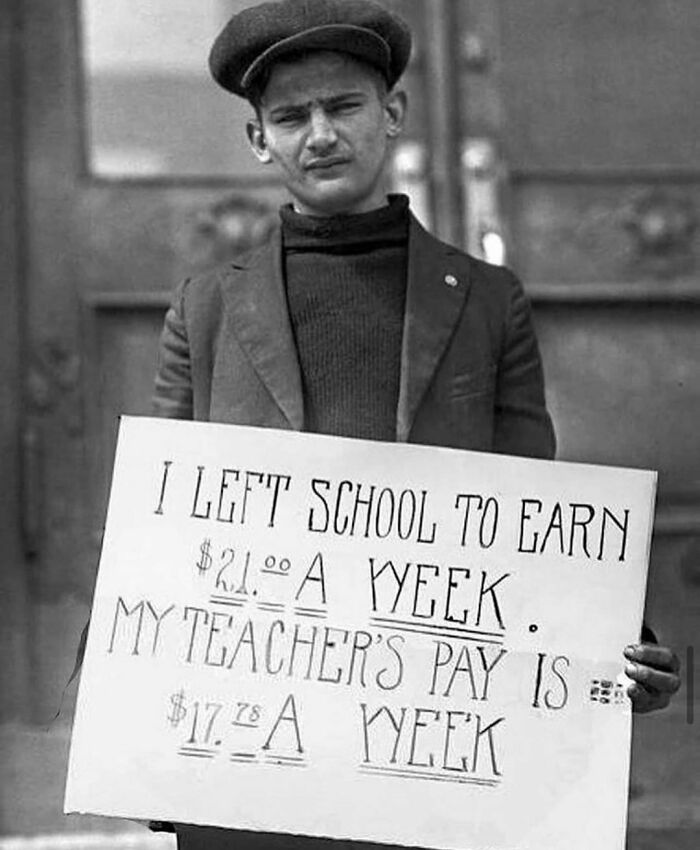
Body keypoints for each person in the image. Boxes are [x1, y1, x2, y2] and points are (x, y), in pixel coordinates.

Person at [151, 0, 680, 845]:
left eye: (344, 107)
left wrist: (619, 643)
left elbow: (527, 508)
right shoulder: (206, 308)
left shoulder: (484, 300)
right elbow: (166, 531)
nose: (319, 134)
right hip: (255, 750)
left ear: (391, 114)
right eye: (290, 117)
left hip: (431, 744)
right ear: (259, 140)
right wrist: (141, 731)